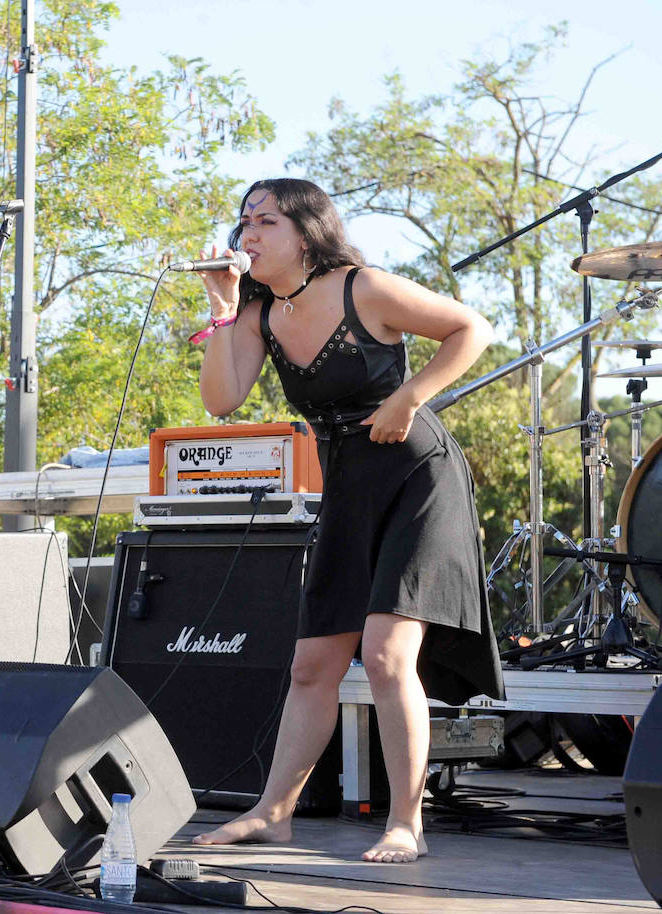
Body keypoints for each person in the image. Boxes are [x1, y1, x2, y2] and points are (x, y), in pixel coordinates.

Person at [190, 178, 505, 863]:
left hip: (416, 477)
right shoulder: (257, 312)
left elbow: (471, 328)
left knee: (389, 654)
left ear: (305, 232)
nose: (249, 234)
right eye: (244, 221)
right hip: (348, 487)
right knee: (312, 665)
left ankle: (405, 824)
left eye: (266, 221)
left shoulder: (362, 286)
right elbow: (221, 400)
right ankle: (274, 813)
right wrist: (221, 310)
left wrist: (412, 396)